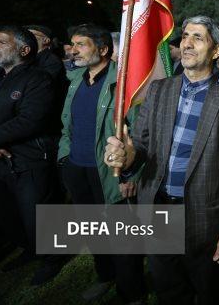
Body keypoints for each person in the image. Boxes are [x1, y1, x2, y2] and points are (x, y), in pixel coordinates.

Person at [104, 15, 219, 305]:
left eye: (198, 37)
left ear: (217, 50)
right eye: (185, 36)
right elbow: (140, 145)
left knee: (209, 292)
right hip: (157, 209)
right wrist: (127, 158)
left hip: (203, 219)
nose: (187, 44)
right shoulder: (159, 90)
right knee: (168, 289)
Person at [57, 24, 145, 302]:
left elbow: (139, 135)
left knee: (122, 236)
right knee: (92, 229)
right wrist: (65, 158)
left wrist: (131, 174)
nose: (73, 50)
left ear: (104, 49)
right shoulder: (74, 79)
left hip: (110, 173)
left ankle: (131, 292)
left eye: (81, 44)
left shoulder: (124, 83)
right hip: (77, 170)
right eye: (72, 44)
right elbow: (67, 125)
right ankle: (105, 275)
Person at [0, 25, 65, 285]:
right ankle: (30, 248)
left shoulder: (38, 79)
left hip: (31, 158)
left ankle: (52, 258)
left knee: (38, 214)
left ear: (24, 50)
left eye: (2, 42)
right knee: (10, 214)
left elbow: (30, 121)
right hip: (2, 161)